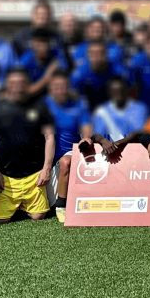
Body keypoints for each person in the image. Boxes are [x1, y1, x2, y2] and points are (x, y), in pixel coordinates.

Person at [0, 68, 55, 224]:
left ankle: (23, 205)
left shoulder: (40, 107)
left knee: (39, 216)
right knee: (1, 220)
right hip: (5, 176)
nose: (17, 87)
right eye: (13, 83)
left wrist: (46, 169)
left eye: (21, 83)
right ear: (7, 85)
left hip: (34, 176)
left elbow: (49, 137)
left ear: (27, 85)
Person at [42, 71, 92, 221]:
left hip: (68, 153)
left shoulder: (79, 103)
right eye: (55, 87)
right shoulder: (43, 104)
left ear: (68, 87)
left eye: (62, 87)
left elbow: (86, 126)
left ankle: (61, 205)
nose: (59, 90)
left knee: (66, 162)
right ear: (50, 89)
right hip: (43, 156)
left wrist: (87, 138)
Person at [92, 77, 149, 141]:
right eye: (115, 91)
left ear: (127, 90)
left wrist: (120, 143)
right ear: (109, 92)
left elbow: (140, 132)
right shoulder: (101, 111)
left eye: (121, 91)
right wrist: (104, 141)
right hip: (109, 148)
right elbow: (98, 135)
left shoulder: (140, 109)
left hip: (134, 147)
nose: (118, 95)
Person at [70, 41, 122, 109]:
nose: (97, 57)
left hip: (111, 102)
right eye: (94, 54)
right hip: (88, 103)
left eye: (101, 53)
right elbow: (73, 96)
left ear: (106, 54)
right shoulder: (79, 74)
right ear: (88, 55)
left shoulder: (116, 70)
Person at [18, 28, 65, 98]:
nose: (42, 46)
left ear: (49, 44)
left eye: (45, 42)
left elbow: (63, 84)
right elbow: (25, 91)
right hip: (30, 98)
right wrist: (47, 77)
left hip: (52, 96)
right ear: (33, 43)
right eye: (39, 42)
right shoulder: (25, 60)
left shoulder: (57, 54)